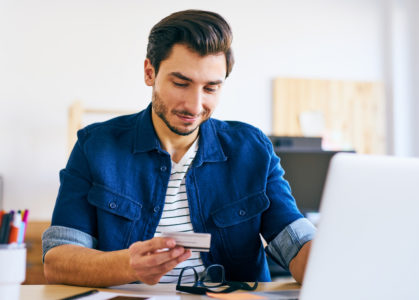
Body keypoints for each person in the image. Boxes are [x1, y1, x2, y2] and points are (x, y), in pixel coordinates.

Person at [42, 9, 315, 287]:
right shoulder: (95, 147)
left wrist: (330, 256)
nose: (195, 106)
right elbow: (57, 261)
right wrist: (128, 265)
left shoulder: (252, 149)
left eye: (210, 88)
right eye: (181, 83)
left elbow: (295, 241)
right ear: (150, 73)